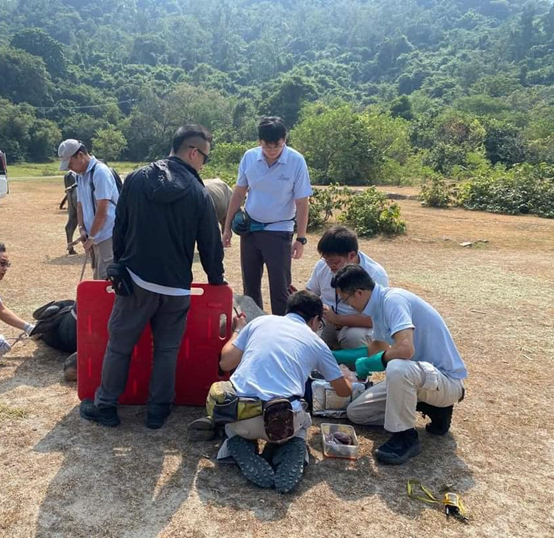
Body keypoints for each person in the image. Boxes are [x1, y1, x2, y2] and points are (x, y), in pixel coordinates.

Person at [79, 124, 226, 429]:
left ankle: (106, 405)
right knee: (167, 350)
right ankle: (158, 410)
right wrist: (216, 279)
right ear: (193, 151)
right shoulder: (199, 193)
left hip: (135, 282)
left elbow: (120, 227)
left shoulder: (136, 178)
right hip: (176, 289)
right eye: (206, 158)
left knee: (119, 346)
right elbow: (210, 243)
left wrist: (117, 266)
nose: (204, 164)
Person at [189, 291, 352, 493]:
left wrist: (238, 331)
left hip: (240, 416)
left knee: (234, 410)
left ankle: (234, 442)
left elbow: (226, 362)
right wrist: (346, 377)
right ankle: (293, 446)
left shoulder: (260, 323)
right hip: (281, 423)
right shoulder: (316, 342)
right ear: (315, 320)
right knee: (302, 421)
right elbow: (343, 392)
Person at [330, 265, 468, 465]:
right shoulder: (377, 307)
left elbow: (405, 349)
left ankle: (405, 437)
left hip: (446, 381)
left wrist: (370, 363)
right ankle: (429, 408)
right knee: (357, 413)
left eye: (345, 299)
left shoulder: (393, 300)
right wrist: (331, 356)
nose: (347, 305)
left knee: (397, 367)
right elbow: (376, 348)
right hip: (418, 379)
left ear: (359, 293)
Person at [222, 116, 312, 316]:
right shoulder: (249, 157)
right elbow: (239, 193)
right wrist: (227, 227)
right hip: (250, 231)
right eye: (266, 146)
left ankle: (281, 331)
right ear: (259, 142)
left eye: (277, 146)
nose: (272, 151)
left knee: (280, 289)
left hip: (279, 231)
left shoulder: (296, 161)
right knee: (250, 286)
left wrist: (301, 238)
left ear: (285, 140)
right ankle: (254, 328)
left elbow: (302, 202)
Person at [305, 226, 388, 350]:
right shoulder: (323, 265)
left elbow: (374, 319)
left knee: (353, 337)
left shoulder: (375, 274)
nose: (330, 266)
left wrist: (338, 319)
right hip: (327, 320)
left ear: (352, 255)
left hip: (357, 326)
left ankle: (354, 369)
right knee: (309, 339)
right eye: (326, 260)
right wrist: (306, 300)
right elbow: (311, 291)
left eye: (335, 262)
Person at [58, 139, 119, 279]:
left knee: (106, 280)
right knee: (96, 276)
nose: (70, 168)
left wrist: (91, 237)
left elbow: (102, 212)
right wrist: (82, 229)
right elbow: (79, 205)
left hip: (107, 236)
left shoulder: (100, 173)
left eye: (70, 164)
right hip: (94, 236)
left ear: (80, 155)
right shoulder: (79, 176)